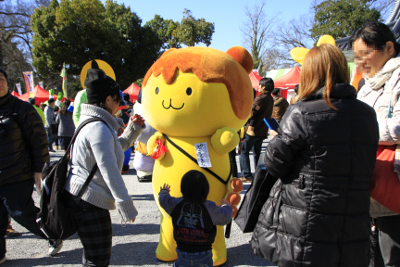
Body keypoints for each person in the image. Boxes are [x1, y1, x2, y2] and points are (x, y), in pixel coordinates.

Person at [250, 44, 379, 267]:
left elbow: (275, 163)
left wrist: (275, 139)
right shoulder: (367, 113)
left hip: (306, 222)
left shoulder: (302, 112)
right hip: (354, 219)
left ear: (310, 73)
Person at [65, 64, 145, 266]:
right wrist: (125, 204)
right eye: (117, 100)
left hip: (84, 198)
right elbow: (109, 169)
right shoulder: (97, 127)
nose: (119, 105)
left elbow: (113, 149)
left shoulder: (92, 121)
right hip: (88, 202)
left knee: (92, 256)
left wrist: (133, 129)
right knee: (98, 259)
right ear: (108, 99)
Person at [0, 67, 63, 264]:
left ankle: (53, 234)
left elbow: (38, 140)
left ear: (7, 83)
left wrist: (39, 168)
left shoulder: (21, 109)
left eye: (1, 79)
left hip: (17, 172)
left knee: (21, 211)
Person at [351, 21, 400, 267]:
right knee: (370, 256)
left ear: (389, 48)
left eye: (365, 54)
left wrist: (363, 130)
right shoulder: (366, 87)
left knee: (392, 254)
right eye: (356, 56)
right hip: (370, 182)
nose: (360, 62)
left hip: (394, 180)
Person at [158, 170, 233, 267]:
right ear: (205, 189)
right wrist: (226, 206)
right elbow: (225, 218)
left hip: (182, 251)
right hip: (204, 252)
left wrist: (164, 191)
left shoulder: (176, 204)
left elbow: (163, 200)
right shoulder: (209, 207)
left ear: (183, 188)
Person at [239, 78, 273, 183]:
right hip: (262, 130)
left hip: (253, 129)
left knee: (244, 151)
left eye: (259, 85)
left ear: (264, 87)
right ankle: (259, 174)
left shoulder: (260, 99)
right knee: (257, 152)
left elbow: (251, 113)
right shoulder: (270, 98)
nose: (258, 87)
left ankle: (246, 174)